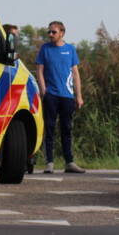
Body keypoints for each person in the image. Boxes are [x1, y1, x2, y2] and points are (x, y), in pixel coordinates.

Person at [35, 21, 85, 174]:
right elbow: (39, 70)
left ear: (62, 33)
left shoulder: (70, 49)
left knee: (66, 129)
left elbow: (75, 74)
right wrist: (43, 89)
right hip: (51, 95)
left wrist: (79, 96)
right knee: (49, 128)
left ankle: (69, 162)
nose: (50, 35)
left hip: (67, 96)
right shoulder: (45, 49)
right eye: (49, 32)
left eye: (53, 32)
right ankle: (49, 162)